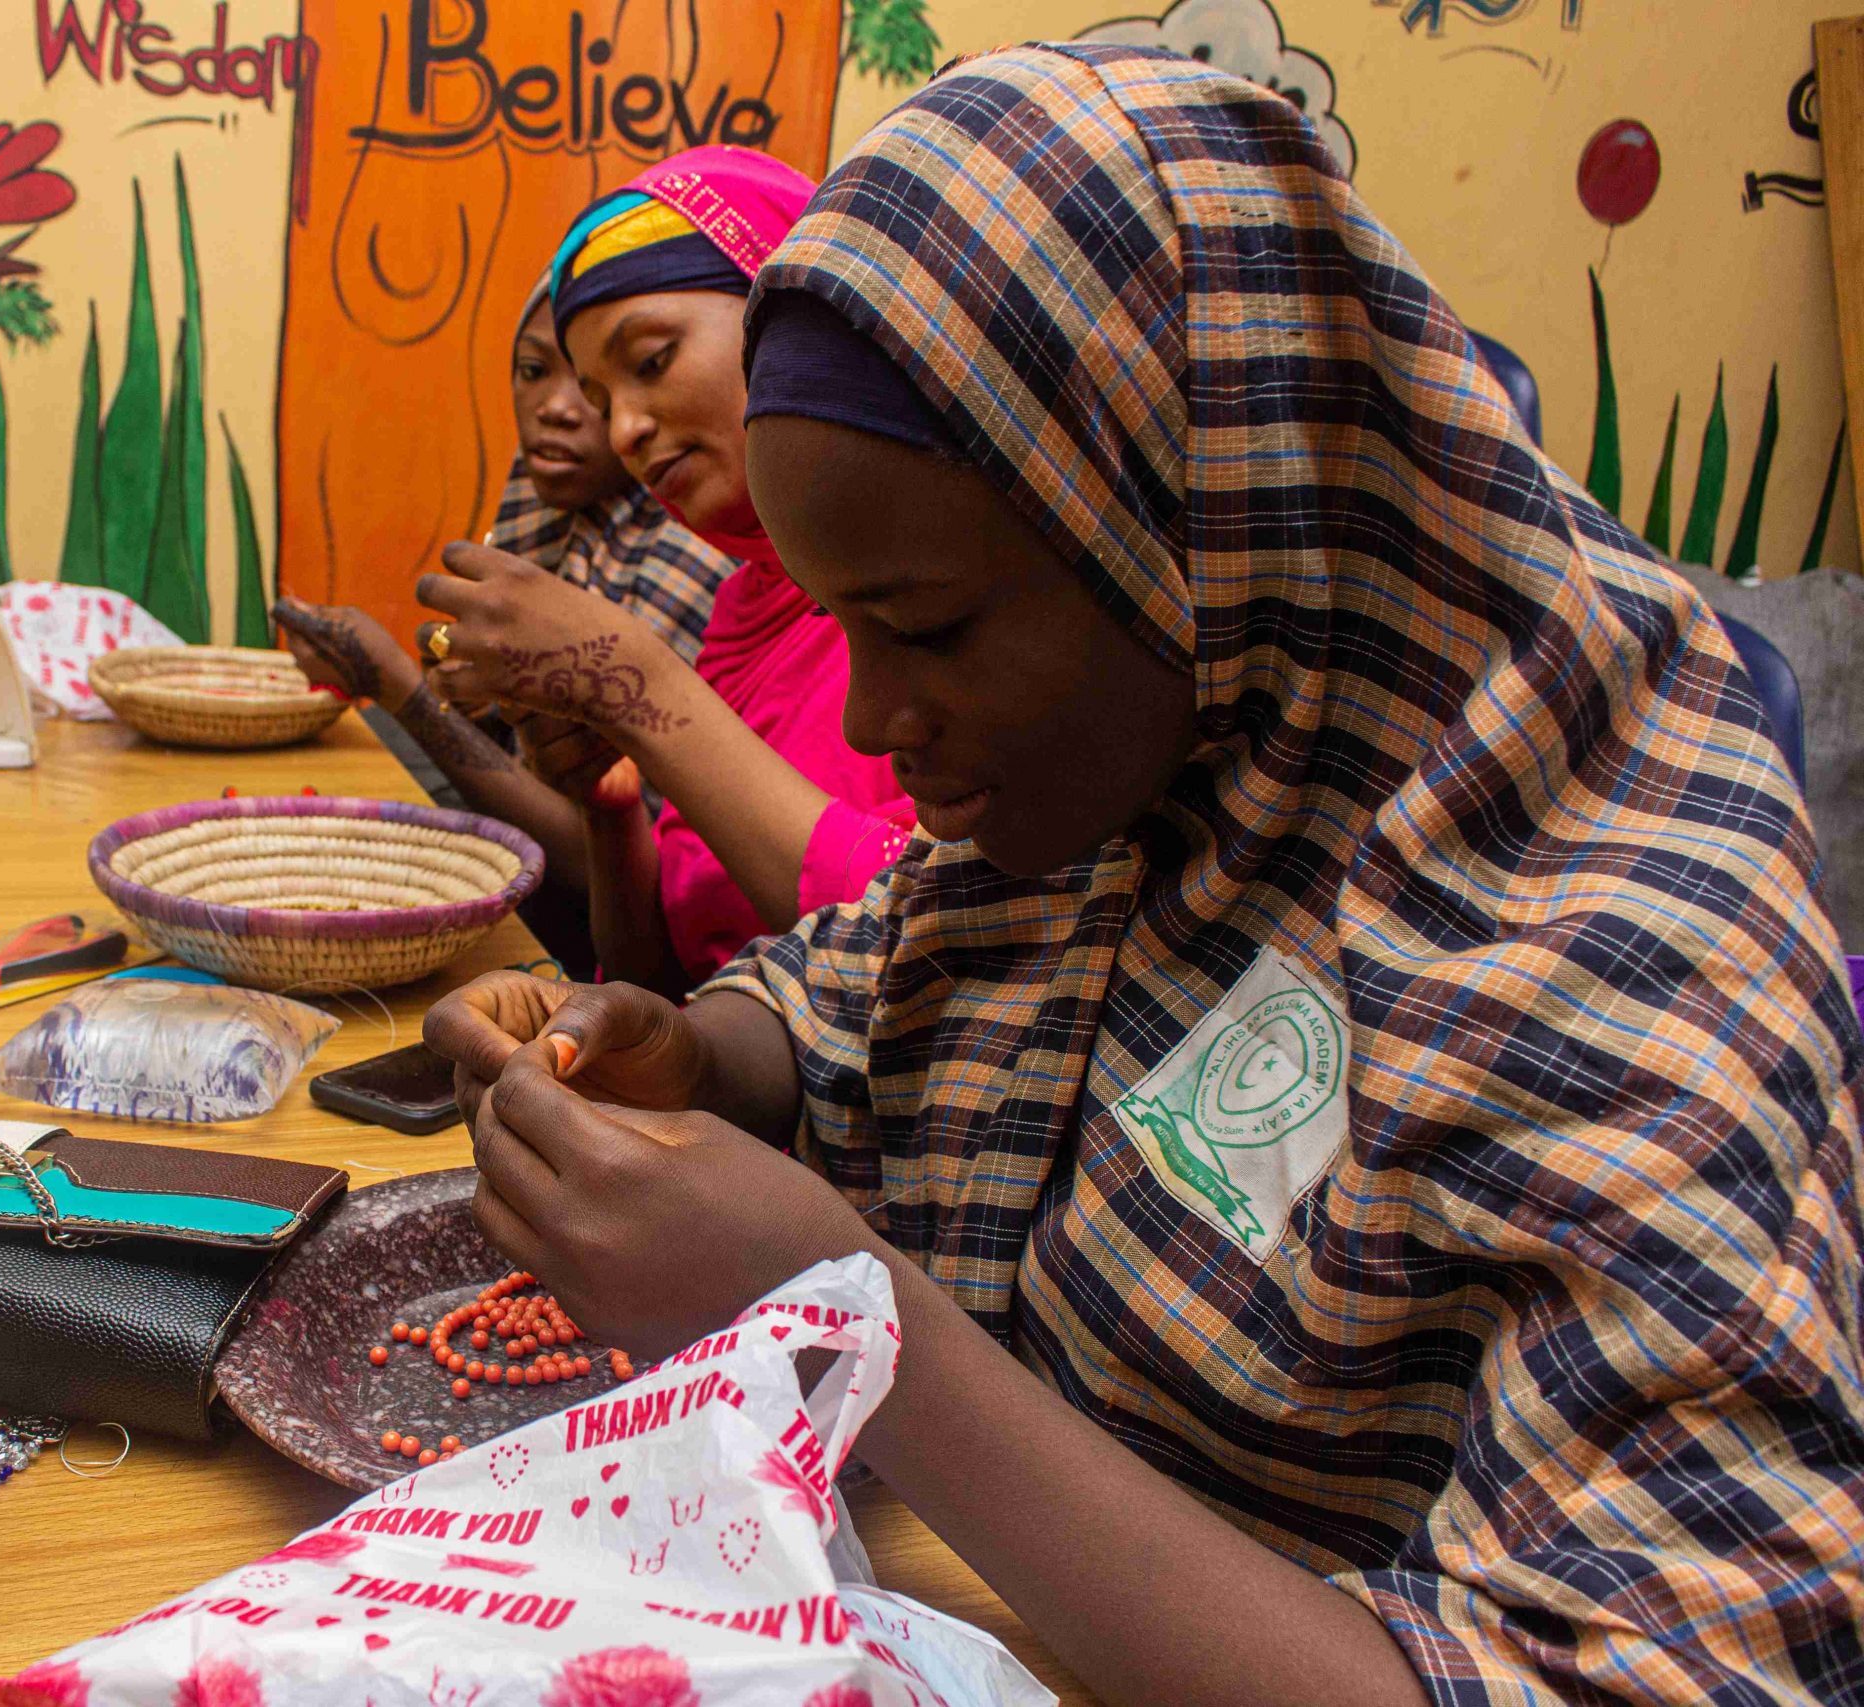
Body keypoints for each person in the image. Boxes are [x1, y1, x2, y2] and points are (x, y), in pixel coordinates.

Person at [428, 44, 1864, 1707]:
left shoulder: (1623, 963)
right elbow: (858, 980)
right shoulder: (1151, 778)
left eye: (927, 627)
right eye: (845, 630)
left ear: (1200, 513)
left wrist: (851, 1317)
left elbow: (1662, 1671)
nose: (874, 718)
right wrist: (699, 1052)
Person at [418, 146, 917, 992]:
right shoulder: (745, 609)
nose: (624, 430)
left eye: (650, 361)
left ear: (786, 311)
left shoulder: (939, 588)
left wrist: (634, 682)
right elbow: (664, 986)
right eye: (603, 399)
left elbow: (926, 937)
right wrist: (611, 812)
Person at [274, 277, 735, 917]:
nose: (556, 408)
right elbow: (504, 737)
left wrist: (401, 689)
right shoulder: (553, 513)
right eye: (533, 371)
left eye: (595, 388)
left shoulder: (695, 547)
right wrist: (459, 690)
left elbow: (611, 867)